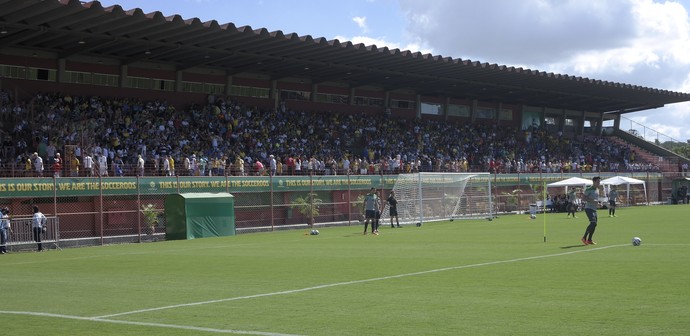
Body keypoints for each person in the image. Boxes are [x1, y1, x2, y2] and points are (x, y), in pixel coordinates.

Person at [581, 176, 601, 245]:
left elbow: (596, 200)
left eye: (599, 182)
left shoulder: (597, 189)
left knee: (594, 224)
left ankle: (589, 240)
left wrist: (598, 204)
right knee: (593, 223)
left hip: (594, 209)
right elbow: (583, 198)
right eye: (598, 182)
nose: (599, 183)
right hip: (588, 208)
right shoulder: (589, 189)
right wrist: (592, 201)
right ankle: (584, 238)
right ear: (594, 182)